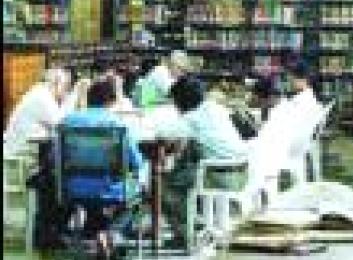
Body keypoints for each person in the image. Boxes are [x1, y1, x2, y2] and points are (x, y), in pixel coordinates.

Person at [59, 77, 145, 257]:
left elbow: (55, 158)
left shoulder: (67, 122)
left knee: (92, 200)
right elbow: (135, 162)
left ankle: (95, 233)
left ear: (88, 98)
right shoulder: (117, 124)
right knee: (139, 195)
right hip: (110, 189)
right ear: (111, 101)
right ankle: (111, 234)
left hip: (73, 189)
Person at [162, 75, 248, 249]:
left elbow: (163, 134)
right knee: (186, 159)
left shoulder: (192, 118)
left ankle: (186, 234)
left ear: (182, 100)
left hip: (218, 175)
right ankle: (197, 223)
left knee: (164, 186)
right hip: (240, 171)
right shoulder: (214, 107)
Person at [3, 67, 74, 156]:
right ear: (55, 83)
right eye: (66, 86)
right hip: (21, 154)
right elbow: (61, 123)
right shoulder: (42, 97)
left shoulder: (42, 92)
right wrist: (72, 98)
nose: (67, 91)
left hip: (29, 148)